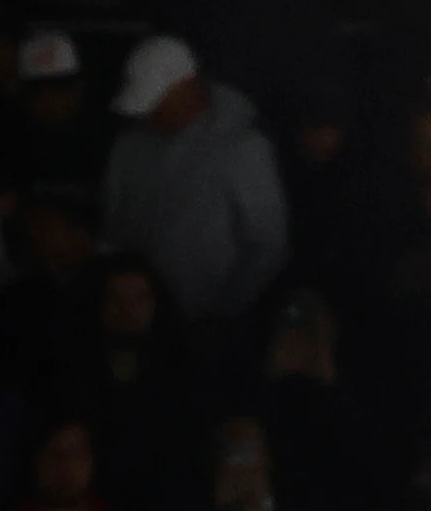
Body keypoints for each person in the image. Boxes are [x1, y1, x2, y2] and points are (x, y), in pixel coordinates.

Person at [99, 36, 290, 329]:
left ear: (187, 88)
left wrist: (223, 313)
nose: (149, 113)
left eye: (156, 101)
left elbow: (268, 245)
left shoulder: (243, 148)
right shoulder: (130, 145)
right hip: (134, 323)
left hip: (208, 324)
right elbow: (113, 225)